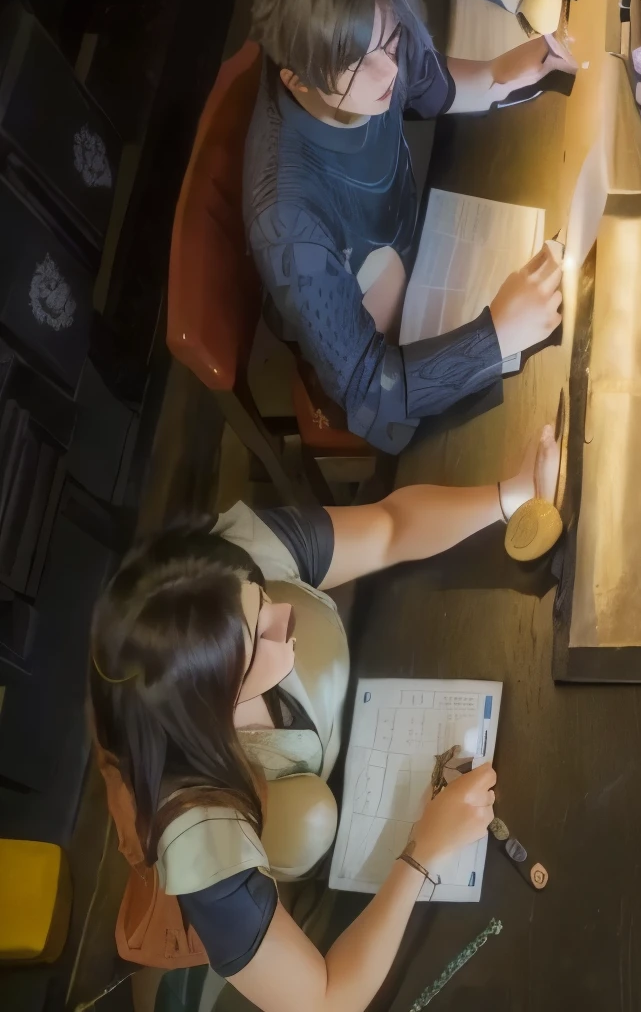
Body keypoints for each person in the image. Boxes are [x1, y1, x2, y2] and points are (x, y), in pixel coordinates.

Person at [90, 425, 561, 1006]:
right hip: (310, 884)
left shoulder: (220, 570)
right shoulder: (201, 841)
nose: (285, 617)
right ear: (213, 710)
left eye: (260, 599)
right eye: (257, 641)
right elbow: (325, 1000)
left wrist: (509, 495)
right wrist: (421, 853)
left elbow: (389, 528)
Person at [238, 0, 575, 453]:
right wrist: (494, 339)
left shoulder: (370, 30)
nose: (389, 73)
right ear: (297, 81)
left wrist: (512, 69)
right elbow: (368, 388)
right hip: (372, 355)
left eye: (390, 41)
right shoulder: (289, 222)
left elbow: (429, 84)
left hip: (424, 260)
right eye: (359, 65)